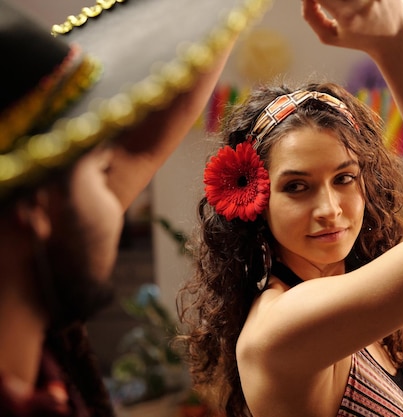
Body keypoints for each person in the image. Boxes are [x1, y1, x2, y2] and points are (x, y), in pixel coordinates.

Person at [177, 1, 403, 416]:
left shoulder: (358, 303)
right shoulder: (281, 327)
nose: (330, 209)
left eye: (344, 178)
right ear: (257, 202)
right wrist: (398, 45)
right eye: (297, 187)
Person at [0, 0, 268, 415]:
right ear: (36, 209)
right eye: (99, 167)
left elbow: (142, 147)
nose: (117, 180)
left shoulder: (43, 346)